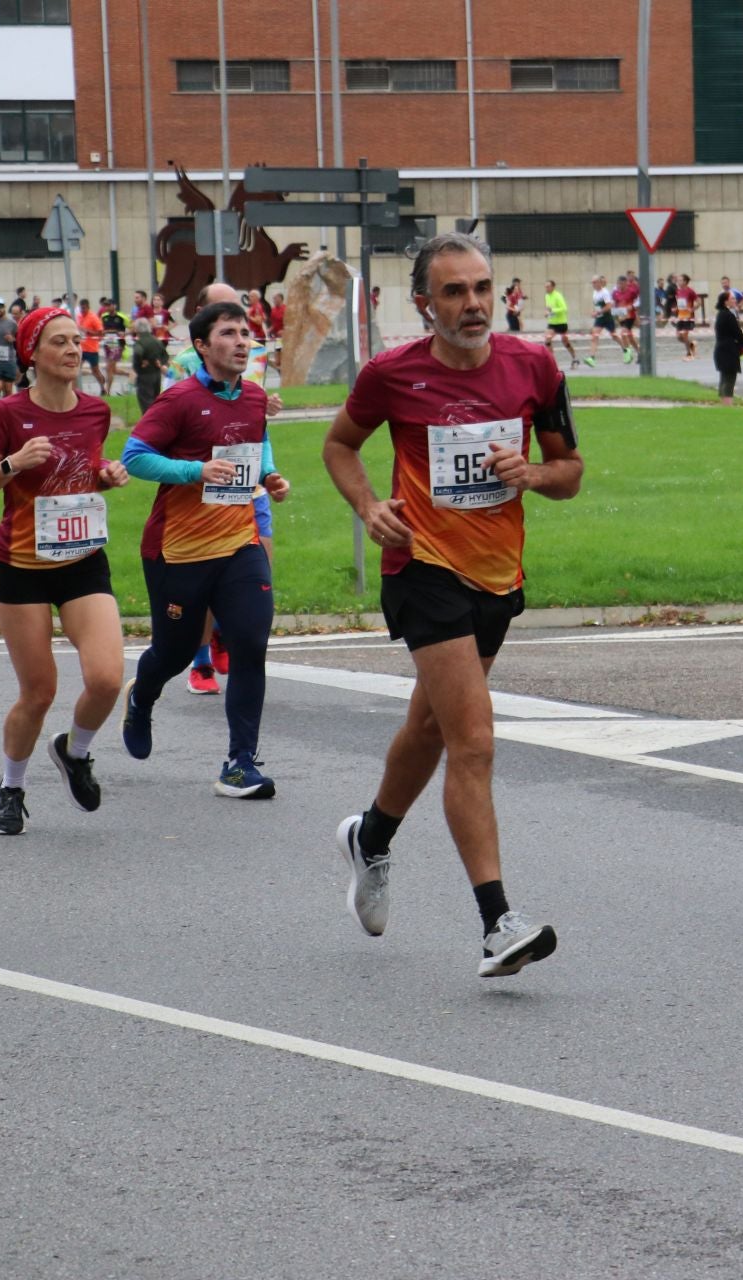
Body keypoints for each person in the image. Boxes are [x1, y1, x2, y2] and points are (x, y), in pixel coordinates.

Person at [321, 232, 583, 978]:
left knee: (429, 725)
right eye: (454, 292)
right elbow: (340, 445)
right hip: (421, 566)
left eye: (481, 288)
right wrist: (369, 506)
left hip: (497, 574)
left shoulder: (532, 366)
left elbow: (571, 471)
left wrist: (531, 472)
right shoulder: (392, 373)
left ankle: (370, 838)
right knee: (473, 740)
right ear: (423, 304)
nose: (472, 304)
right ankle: (498, 922)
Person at [0, 308, 130, 835]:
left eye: (77, 340)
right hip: (22, 568)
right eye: (60, 341)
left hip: (82, 560)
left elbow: (83, 474)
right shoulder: (9, 414)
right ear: (33, 353)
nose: (74, 349)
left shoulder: (96, 411)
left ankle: (75, 752)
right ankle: (10, 787)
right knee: (39, 692)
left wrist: (106, 476)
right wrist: (14, 463)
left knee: (106, 679)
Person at [118, 301, 289, 798]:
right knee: (172, 654)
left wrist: (269, 477)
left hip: (239, 542)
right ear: (201, 346)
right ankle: (142, 698)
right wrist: (194, 472)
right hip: (178, 549)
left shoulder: (255, 398)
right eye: (229, 333)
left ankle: (240, 763)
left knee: (251, 643)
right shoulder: (178, 400)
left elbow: (256, 447)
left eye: (246, 333)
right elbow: (135, 458)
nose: (242, 341)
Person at [712, 288, 743, 406]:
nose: (735, 300)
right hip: (728, 351)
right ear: (726, 302)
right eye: (732, 298)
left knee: (724, 377)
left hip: (721, 350)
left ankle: (723, 404)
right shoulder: (728, 315)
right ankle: (727, 405)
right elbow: (738, 334)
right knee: (729, 378)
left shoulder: (721, 314)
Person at [131, 316, 168, 412]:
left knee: (146, 402)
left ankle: (149, 423)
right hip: (156, 375)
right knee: (155, 400)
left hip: (144, 375)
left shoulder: (140, 342)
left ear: (137, 329)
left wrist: (139, 364)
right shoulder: (157, 341)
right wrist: (161, 363)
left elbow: (138, 353)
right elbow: (165, 355)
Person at [542, 279, 579, 368]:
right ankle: (552, 362)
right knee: (547, 339)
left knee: (565, 341)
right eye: (545, 286)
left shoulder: (558, 296)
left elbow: (564, 308)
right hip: (552, 323)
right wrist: (547, 312)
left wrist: (552, 310)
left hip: (561, 323)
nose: (546, 288)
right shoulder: (547, 296)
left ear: (553, 287)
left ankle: (575, 358)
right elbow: (548, 308)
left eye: (548, 286)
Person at [99, 297, 129, 396]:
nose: (107, 307)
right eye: (105, 305)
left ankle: (107, 391)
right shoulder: (104, 316)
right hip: (107, 344)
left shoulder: (121, 317)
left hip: (117, 345)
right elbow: (101, 329)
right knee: (113, 370)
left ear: (114, 306)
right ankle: (130, 375)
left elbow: (131, 328)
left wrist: (124, 334)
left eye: (109, 305)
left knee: (109, 368)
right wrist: (103, 333)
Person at [586, 273, 617, 367]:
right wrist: (594, 312)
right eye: (592, 282)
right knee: (594, 336)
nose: (593, 284)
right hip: (599, 319)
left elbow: (609, 306)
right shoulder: (595, 293)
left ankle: (625, 349)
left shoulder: (605, 292)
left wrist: (598, 312)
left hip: (607, 317)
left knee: (614, 336)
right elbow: (597, 306)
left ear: (599, 282)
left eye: (595, 282)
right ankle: (591, 358)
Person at [674, 274, 700, 360]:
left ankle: (689, 353)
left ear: (685, 282)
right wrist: (676, 309)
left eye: (680, 280)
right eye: (678, 280)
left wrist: (692, 309)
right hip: (680, 317)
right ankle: (692, 344)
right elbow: (680, 303)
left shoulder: (690, 291)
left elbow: (699, 302)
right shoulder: (677, 291)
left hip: (688, 317)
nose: (678, 282)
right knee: (678, 337)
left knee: (684, 335)